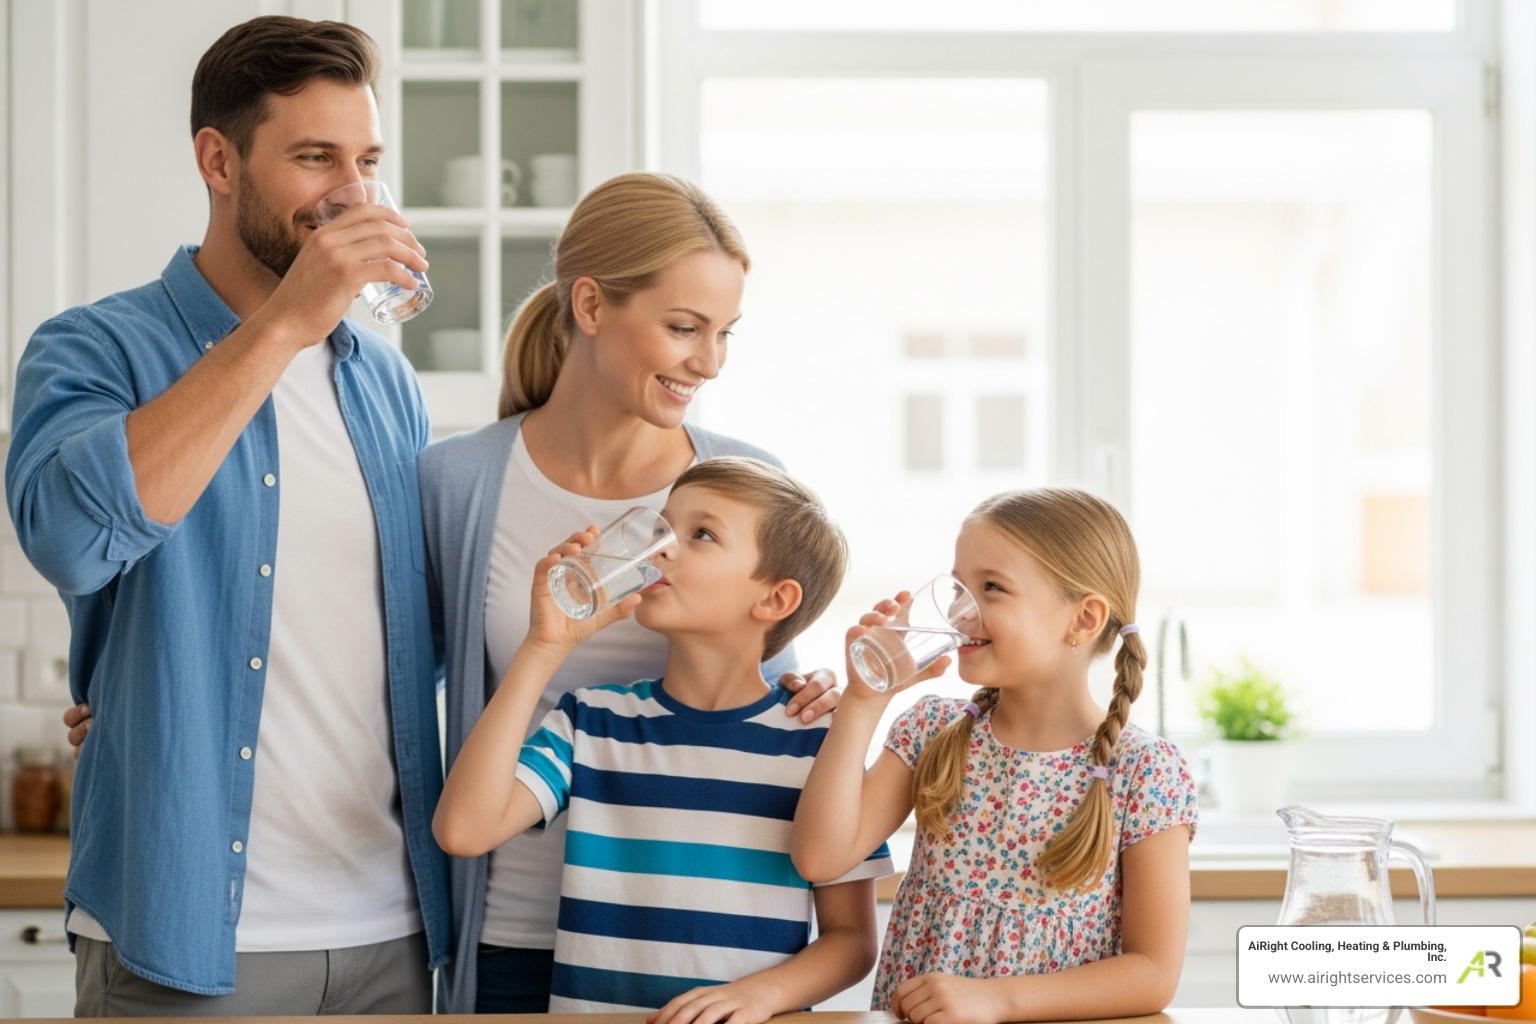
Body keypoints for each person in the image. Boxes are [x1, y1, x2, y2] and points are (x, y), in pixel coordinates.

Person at [5, 16, 446, 1014]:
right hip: (186, 928)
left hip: (394, 929)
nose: (351, 191)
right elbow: (72, 542)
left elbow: (411, 636)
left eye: (366, 159)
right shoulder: (92, 349)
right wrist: (284, 322)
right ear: (218, 160)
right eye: (313, 157)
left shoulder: (385, 378)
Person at [418, 170, 840, 1014]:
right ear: (589, 304)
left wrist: (819, 693)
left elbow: (761, 693)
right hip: (519, 931)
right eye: (684, 328)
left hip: (710, 950)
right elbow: (380, 688)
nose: (708, 362)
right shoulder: (455, 484)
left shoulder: (741, 487)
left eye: (724, 334)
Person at [433, 455, 890, 1019]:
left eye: (701, 535)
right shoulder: (593, 722)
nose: (661, 546)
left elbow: (851, 941)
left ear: (774, 599)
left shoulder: (822, 747)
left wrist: (760, 995)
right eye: (663, 526)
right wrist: (544, 646)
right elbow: (463, 830)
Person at [791, 487, 1199, 1023]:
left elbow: (1152, 973)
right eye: (959, 587)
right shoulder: (933, 730)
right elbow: (820, 857)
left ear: (1082, 620)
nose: (961, 612)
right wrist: (866, 700)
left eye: (992, 589)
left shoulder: (1144, 772)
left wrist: (997, 1000)